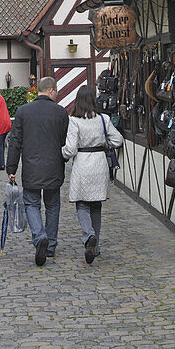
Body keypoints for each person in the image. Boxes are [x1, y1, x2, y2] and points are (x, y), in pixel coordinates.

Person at [6, 75, 69, 265]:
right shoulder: (60, 112)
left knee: (31, 204)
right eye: (56, 91)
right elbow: (65, 141)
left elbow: (15, 142)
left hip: (31, 167)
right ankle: (50, 245)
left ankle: (39, 236)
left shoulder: (23, 112)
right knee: (52, 205)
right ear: (50, 90)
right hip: (54, 166)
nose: (57, 94)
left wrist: (11, 167)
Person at [61, 85, 123, 264]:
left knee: (82, 204)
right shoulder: (103, 119)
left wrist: (62, 154)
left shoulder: (74, 120)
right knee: (96, 205)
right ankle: (94, 247)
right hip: (99, 163)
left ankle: (89, 235)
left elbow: (71, 148)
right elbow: (117, 140)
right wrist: (105, 144)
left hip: (82, 163)